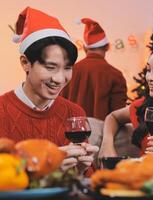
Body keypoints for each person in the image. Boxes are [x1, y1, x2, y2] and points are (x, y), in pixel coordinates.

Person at [0, 7, 98, 174]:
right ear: (25, 63)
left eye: (67, 68)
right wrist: (49, 170)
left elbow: (85, 185)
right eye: (50, 67)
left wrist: (80, 171)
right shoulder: (2, 111)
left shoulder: (73, 113)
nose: (60, 79)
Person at [61, 18, 127, 120]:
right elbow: (118, 116)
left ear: (84, 48)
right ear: (107, 47)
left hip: (71, 131)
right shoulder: (115, 75)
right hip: (102, 133)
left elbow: (59, 106)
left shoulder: (69, 70)